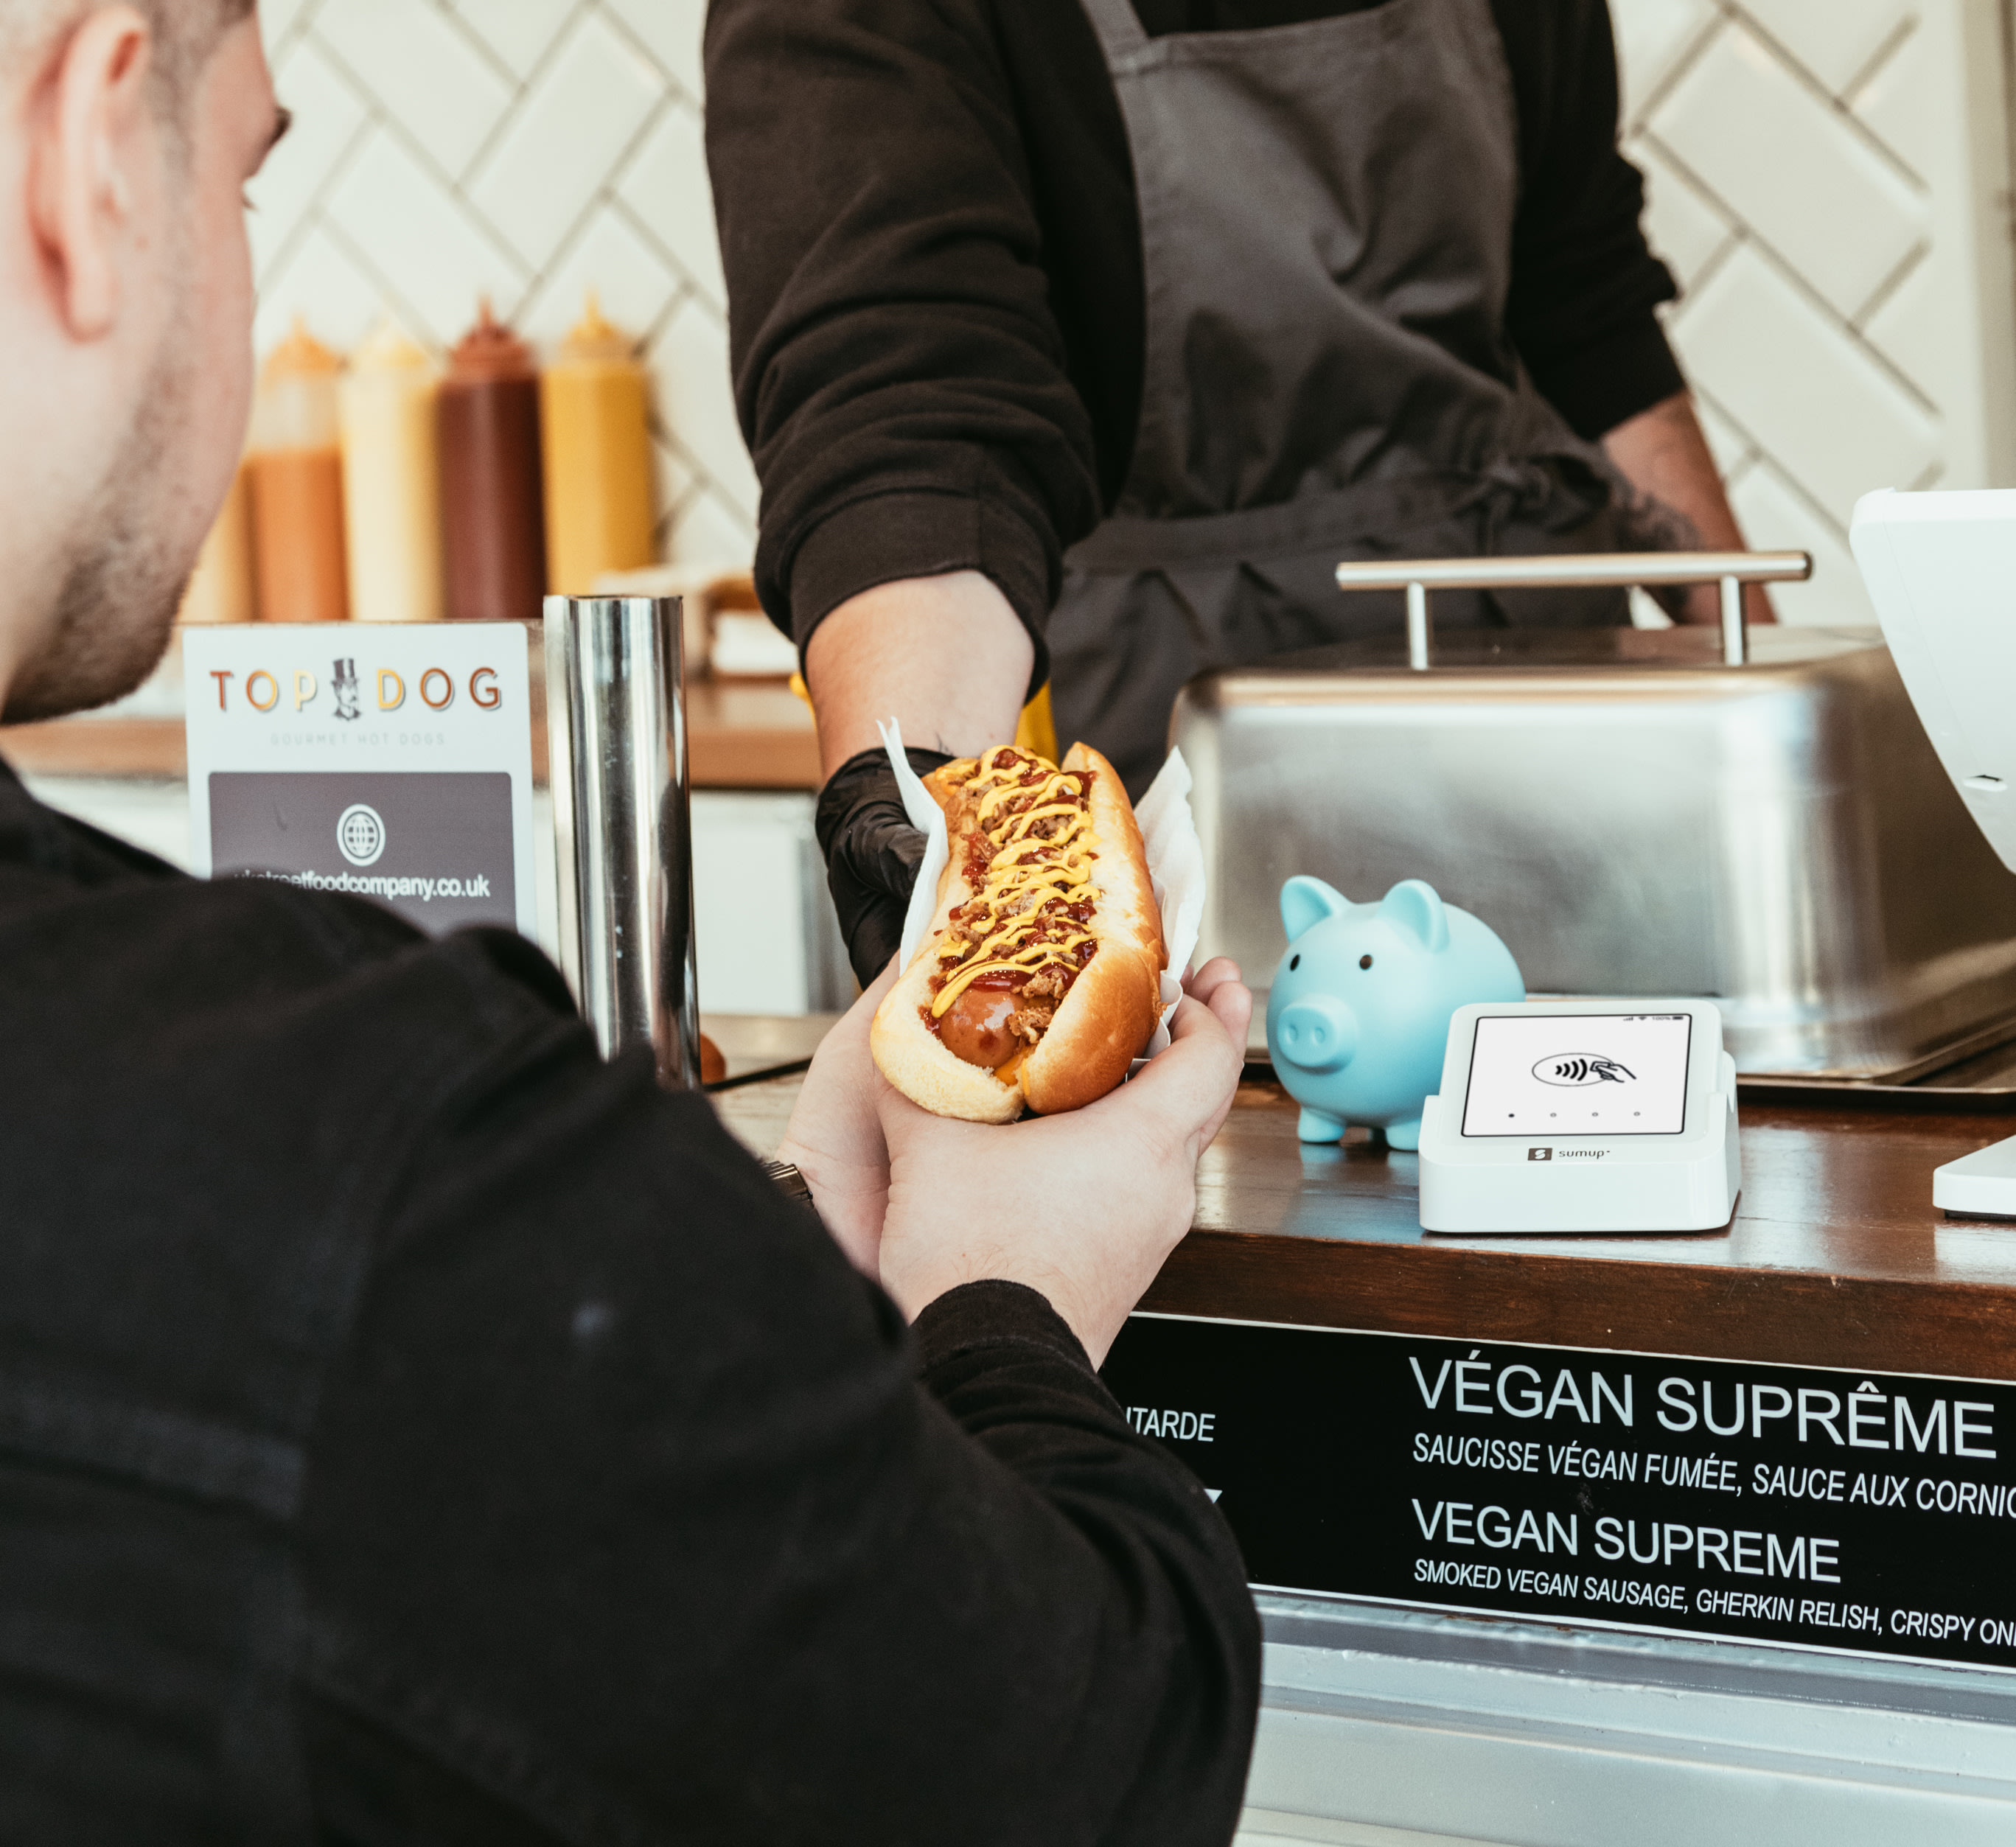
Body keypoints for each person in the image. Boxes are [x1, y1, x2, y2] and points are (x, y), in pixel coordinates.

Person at [0, 4, 1262, 1837]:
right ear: (91, 155)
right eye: (247, 175)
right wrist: (997, 1303)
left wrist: (740, 1291)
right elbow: (1094, 1752)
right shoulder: (374, 1162)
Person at [705, 0, 1776, 986]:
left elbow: (1584, 306)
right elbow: (908, 424)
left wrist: (1765, 701)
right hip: (1186, 788)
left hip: (1552, 777)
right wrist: (929, 823)